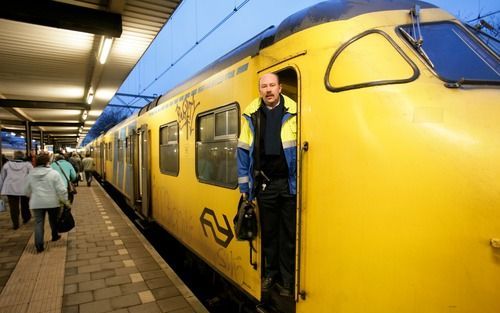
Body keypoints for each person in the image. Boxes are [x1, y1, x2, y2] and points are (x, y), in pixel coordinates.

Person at [237, 73, 297, 297]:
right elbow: (243, 152)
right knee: (270, 233)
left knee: (289, 234)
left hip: (289, 184)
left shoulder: (294, 112)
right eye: (264, 86)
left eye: (272, 85)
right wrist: (245, 188)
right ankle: (271, 275)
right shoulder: (252, 115)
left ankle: (288, 280)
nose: (269, 90)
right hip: (265, 185)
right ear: (260, 90)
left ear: (280, 88)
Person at [24, 152, 68, 253]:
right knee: (53, 220)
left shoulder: (31, 174)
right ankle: (54, 235)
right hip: (52, 202)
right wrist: (65, 200)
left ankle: (39, 245)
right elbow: (61, 189)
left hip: (36, 203)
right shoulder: (54, 173)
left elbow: (26, 190)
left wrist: (31, 195)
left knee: (38, 223)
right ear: (48, 162)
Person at [0, 150, 33, 229]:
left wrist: (0, 188)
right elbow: (32, 175)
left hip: (10, 188)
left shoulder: (7, 164)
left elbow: (2, 177)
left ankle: (15, 223)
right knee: (25, 204)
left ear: (14, 156)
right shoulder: (28, 165)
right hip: (24, 187)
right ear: (23, 156)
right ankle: (26, 218)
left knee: (13, 207)